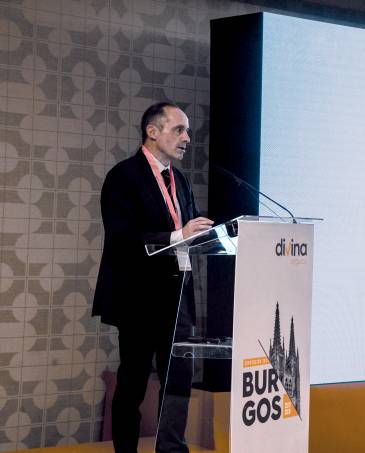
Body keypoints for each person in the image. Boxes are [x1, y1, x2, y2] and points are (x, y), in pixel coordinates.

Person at [93, 102, 214, 453]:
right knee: (133, 382)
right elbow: (123, 237)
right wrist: (179, 235)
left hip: (179, 296)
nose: (187, 138)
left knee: (177, 381)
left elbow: (189, 230)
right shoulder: (124, 176)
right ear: (152, 131)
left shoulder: (180, 180)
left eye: (186, 131)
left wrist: (205, 234)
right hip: (139, 298)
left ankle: (171, 449)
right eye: (179, 129)